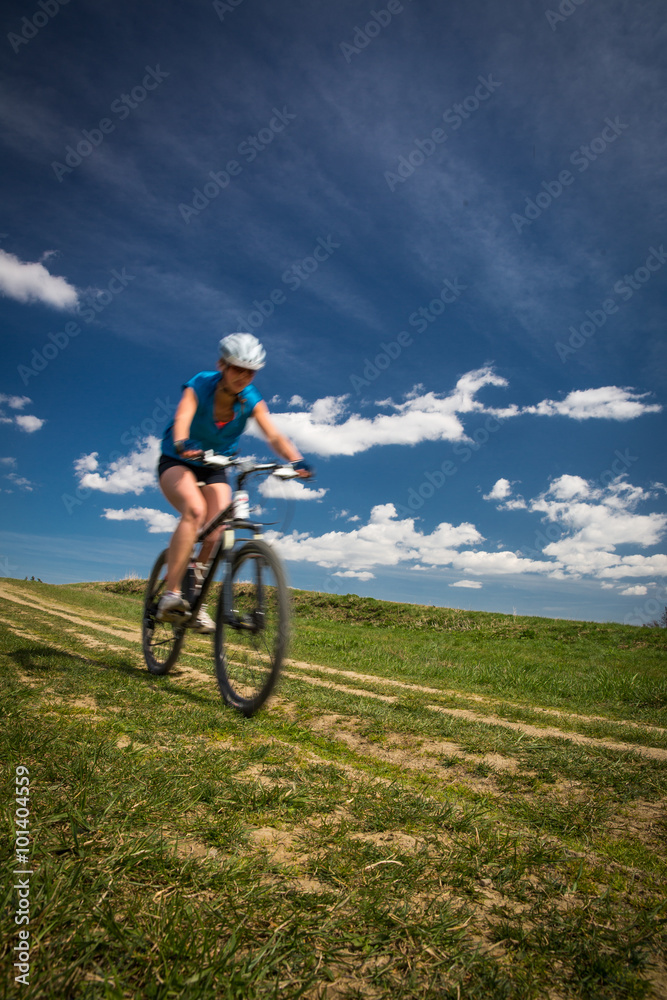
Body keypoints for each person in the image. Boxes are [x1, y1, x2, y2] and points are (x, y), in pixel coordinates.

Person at [156, 332, 311, 632]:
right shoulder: (201, 382)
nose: (243, 376)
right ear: (222, 365)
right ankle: (170, 594)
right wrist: (182, 441)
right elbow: (184, 414)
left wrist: (296, 459)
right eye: (237, 368)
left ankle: (193, 600)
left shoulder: (250, 399)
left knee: (217, 531)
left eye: (250, 371)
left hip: (216, 465)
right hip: (178, 458)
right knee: (194, 511)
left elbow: (274, 434)